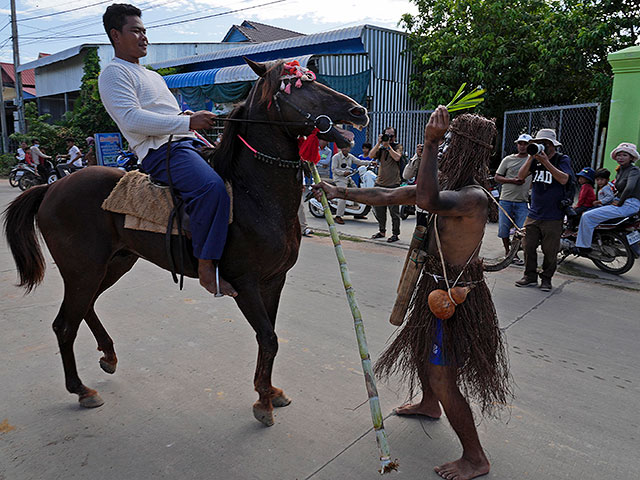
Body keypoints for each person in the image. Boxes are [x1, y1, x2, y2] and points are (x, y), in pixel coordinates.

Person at [313, 108, 510, 480]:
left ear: (464, 150)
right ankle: (429, 404)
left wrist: (432, 143)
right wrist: (338, 190)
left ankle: (475, 457)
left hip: (452, 297)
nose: (444, 151)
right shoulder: (453, 188)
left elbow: (425, 198)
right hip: (434, 286)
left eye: (450, 145)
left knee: (442, 375)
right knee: (421, 349)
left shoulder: (473, 197)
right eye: (444, 144)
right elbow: (391, 193)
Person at [98, 3, 235, 297]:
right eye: (135, 31)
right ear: (115, 35)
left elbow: (167, 116)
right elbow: (131, 120)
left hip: (187, 144)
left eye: (145, 31)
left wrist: (189, 119)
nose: (144, 37)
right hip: (161, 151)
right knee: (211, 188)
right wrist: (187, 123)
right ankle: (206, 267)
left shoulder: (154, 76)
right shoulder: (113, 74)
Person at [515, 129, 573, 292]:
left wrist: (546, 162)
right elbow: (520, 176)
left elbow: (564, 179)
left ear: (552, 145)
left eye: (545, 144)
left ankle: (546, 278)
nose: (542, 147)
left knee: (550, 250)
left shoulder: (562, 159)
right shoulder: (535, 158)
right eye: (539, 143)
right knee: (527, 245)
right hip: (534, 213)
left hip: (553, 215)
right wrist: (531, 157)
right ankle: (530, 275)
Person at [576, 143, 640, 254]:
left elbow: (629, 188)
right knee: (592, 210)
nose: (621, 157)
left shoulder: (634, 170)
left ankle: (583, 247)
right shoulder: (620, 171)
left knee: (587, 216)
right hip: (623, 203)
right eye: (619, 155)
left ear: (631, 157)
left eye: (625, 155)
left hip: (629, 204)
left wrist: (619, 202)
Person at [494, 133, 532, 264]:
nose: (522, 146)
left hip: (522, 201)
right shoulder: (508, 160)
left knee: (522, 230)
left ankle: (514, 252)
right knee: (504, 229)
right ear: (517, 145)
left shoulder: (532, 160)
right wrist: (512, 180)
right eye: (520, 143)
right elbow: (497, 177)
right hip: (506, 199)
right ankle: (508, 252)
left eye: (525, 144)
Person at [369, 126, 404, 242]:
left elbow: (397, 158)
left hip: (393, 184)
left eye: (391, 135)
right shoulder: (381, 148)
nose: (389, 137)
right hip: (380, 183)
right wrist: (379, 143)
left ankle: (395, 234)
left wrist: (388, 146)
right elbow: (371, 155)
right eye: (387, 135)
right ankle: (381, 231)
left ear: (395, 137)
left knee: (394, 212)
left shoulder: (397, 147)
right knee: (379, 210)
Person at [331, 145, 372, 224]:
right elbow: (334, 169)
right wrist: (343, 172)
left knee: (357, 192)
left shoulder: (350, 156)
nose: (345, 149)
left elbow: (359, 162)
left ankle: (357, 213)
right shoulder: (336, 157)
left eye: (347, 147)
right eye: (344, 147)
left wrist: (370, 162)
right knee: (343, 195)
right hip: (339, 179)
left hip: (348, 178)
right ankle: (338, 216)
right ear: (341, 148)